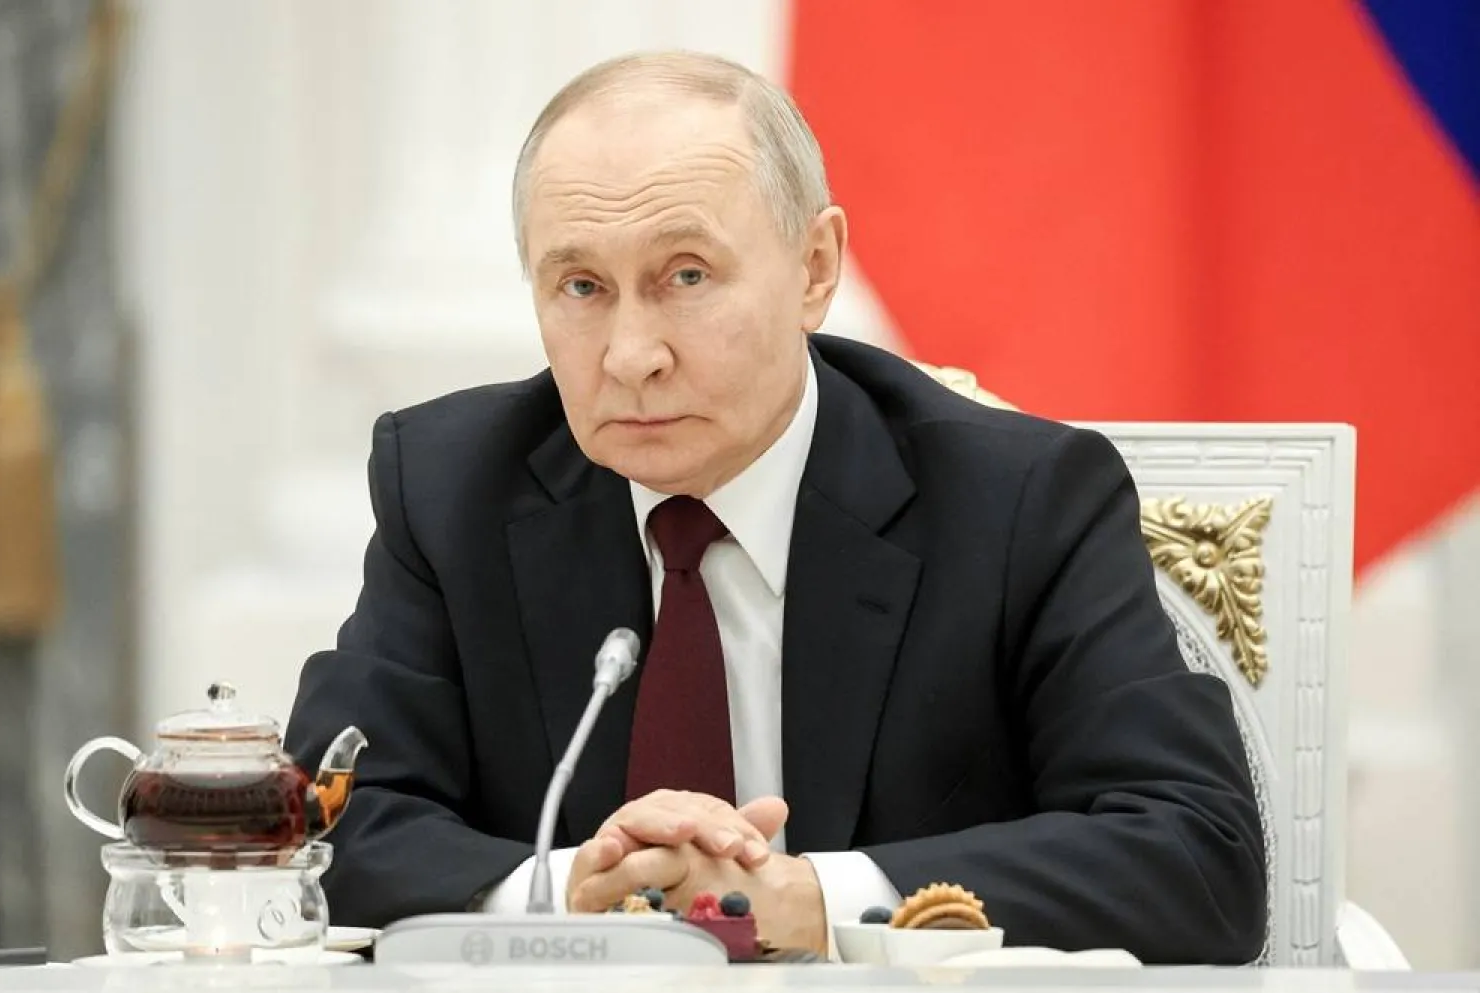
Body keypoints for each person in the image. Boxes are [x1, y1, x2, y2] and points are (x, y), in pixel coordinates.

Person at [283, 50, 1266, 963]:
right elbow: (322, 829)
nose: (630, 354)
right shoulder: (452, 489)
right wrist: (561, 894)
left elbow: (1193, 853)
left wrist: (810, 902)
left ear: (815, 269)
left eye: (687, 277)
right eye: (582, 286)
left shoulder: (1019, 502)